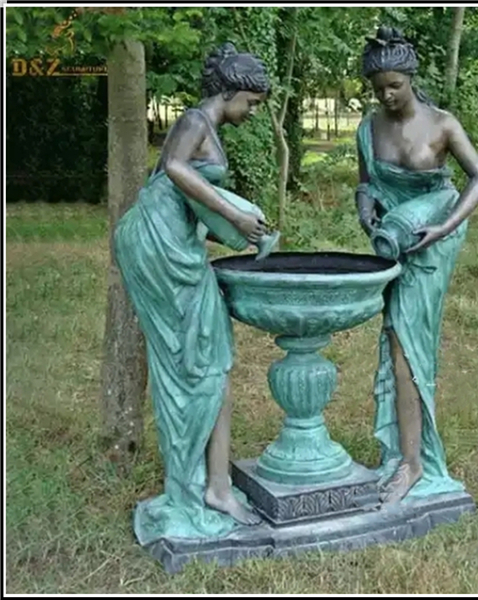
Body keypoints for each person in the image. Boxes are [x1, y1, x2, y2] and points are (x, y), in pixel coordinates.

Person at [114, 42, 269, 545]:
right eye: (251, 102)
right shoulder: (194, 121)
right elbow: (176, 171)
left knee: (207, 359)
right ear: (229, 92)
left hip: (174, 242)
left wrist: (230, 228)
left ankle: (216, 484)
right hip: (158, 245)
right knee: (193, 364)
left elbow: (185, 195)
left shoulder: (207, 127)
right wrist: (236, 216)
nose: (252, 112)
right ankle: (190, 489)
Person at [355, 26, 478, 504]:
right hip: (392, 240)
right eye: (378, 89)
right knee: (397, 338)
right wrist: (365, 207)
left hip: (432, 239)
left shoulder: (442, 124)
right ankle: (405, 451)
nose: (387, 95)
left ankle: (414, 464)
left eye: (395, 85)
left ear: (411, 78)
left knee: (407, 344)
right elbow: (367, 182)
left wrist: (446, 226)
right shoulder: (368, 127)